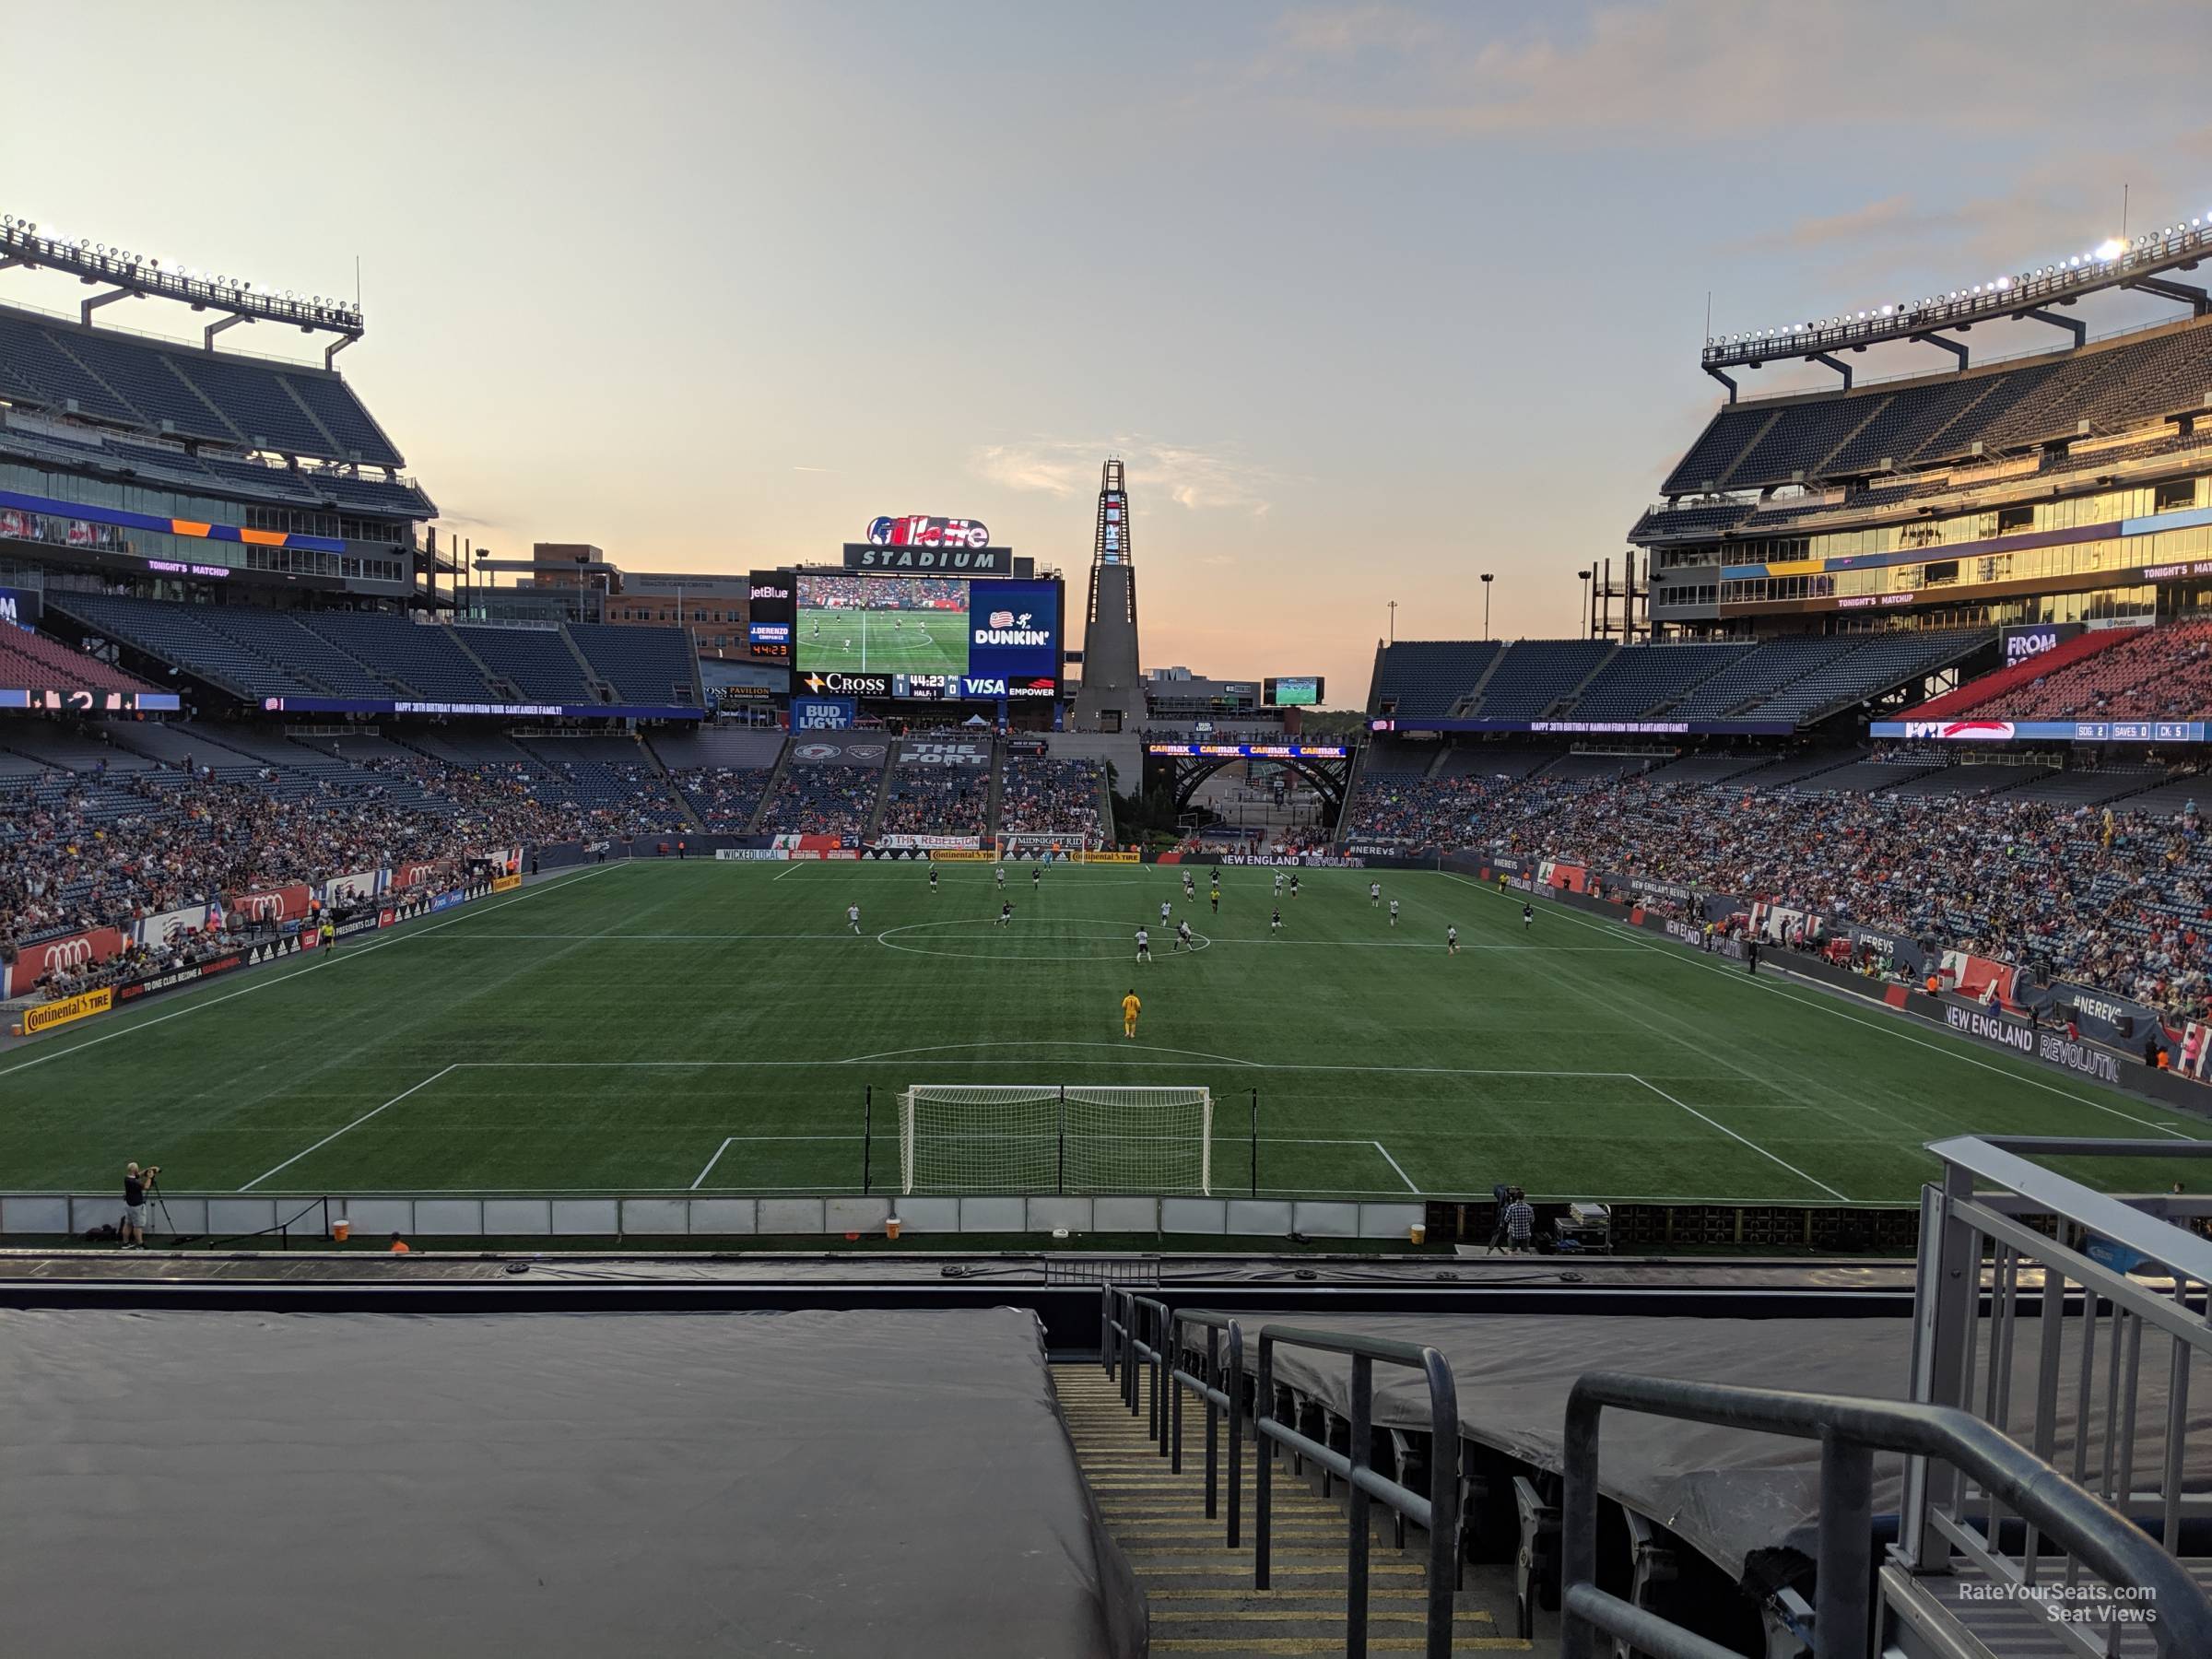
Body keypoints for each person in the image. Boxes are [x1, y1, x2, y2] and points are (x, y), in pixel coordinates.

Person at [120, 1160, 159, 1250]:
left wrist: (147, 1170)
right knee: (138, 1226)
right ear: (135, 1170)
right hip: (137, 1206)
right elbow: (146, 1187)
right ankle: (140, 1245)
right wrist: (150, 1177)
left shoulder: (127, 1178)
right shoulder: (135, 1182)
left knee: (128, 1224)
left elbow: (137, 1175)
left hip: (129, 1205)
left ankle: (125, 1243)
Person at [1502, 1188, 1536, 1253]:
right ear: (1523, 1197)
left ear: (1516, 1197)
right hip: (1525, 1234)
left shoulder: (1511, 1207)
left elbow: (1506, 1220)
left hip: (1514, 1234)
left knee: (1512, 1251)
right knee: (1525, 1251)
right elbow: (1532, 1220)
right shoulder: (1529, 1208)